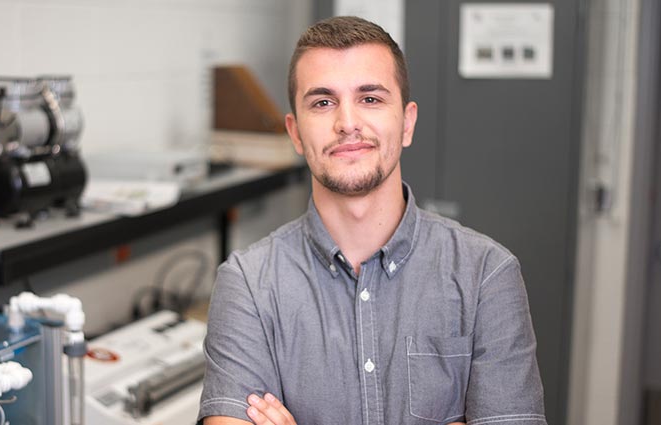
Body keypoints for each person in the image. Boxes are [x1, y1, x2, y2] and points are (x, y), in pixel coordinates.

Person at [197, 16, 546, 425]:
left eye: (371, 99)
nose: (347, 123)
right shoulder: (248, 284)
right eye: (323, 102)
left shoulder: (486, 274)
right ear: (294, 132)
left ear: (408, 123)